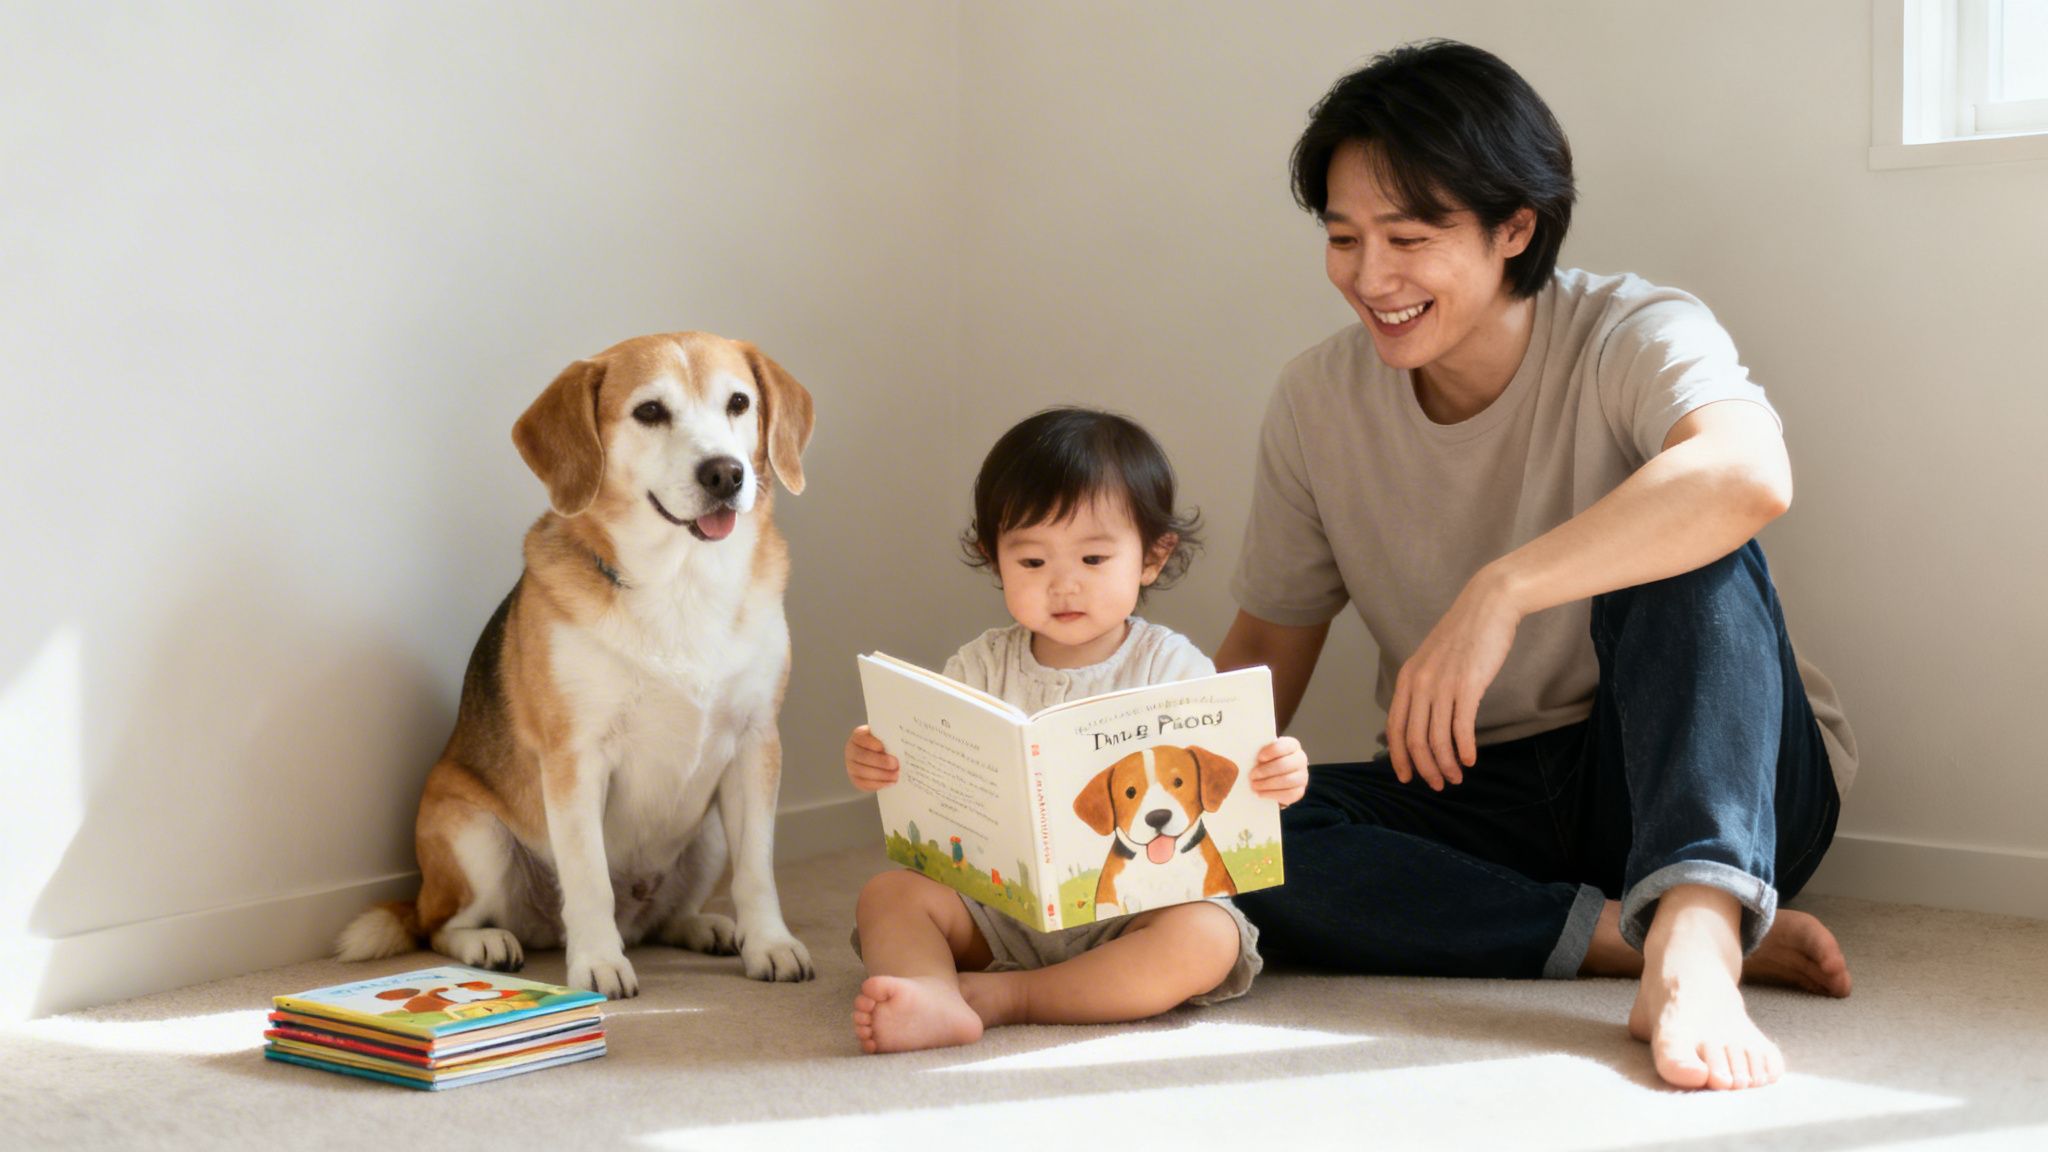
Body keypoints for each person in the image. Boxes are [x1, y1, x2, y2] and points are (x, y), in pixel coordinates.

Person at [1216, 40, 1856, 1092]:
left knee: (1692, 530)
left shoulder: (1631, 330)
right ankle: (1619, 934)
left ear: (1513, 228)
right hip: (1480, 789)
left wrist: (1500, 591)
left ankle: (1695, 934)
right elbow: (1262, 645)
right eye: (1342, 238)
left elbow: (1748, 471)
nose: (1369, 278)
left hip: (1688, 765)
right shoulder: (1312, 401)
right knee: (1234, 847)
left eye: (1408, 238)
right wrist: (1136, 793)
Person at [845, 407, 1309, 1054]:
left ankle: (1004, 997)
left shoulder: (1171, 665)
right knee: (889, 896)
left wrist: (1279, 775)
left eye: (1093, 557)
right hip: (997, 912)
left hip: (1132, 914)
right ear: (993, 558)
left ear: (1151, 557)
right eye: (1031, 561)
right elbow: (935, 777)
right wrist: (881, 760)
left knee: (1208, 937)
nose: (1064, 584)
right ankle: (930, 990)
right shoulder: (979, 664)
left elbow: (1235, 777)